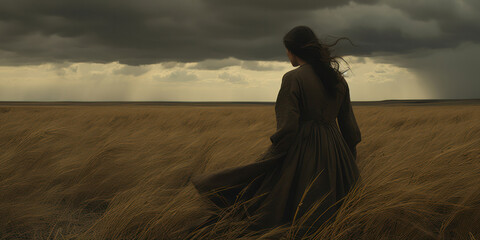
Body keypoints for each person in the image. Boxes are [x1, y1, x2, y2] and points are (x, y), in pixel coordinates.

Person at [190, 25, 361, 237]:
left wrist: (271, 158)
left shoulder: (293, 78)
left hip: (302, 149)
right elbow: (351, 131)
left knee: (281, 207)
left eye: (287, 50)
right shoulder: (338, 80)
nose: (287, 55)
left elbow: (288, 127)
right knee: (331, 214)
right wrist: (347, 163)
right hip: (336, 152)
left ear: (293, 51)